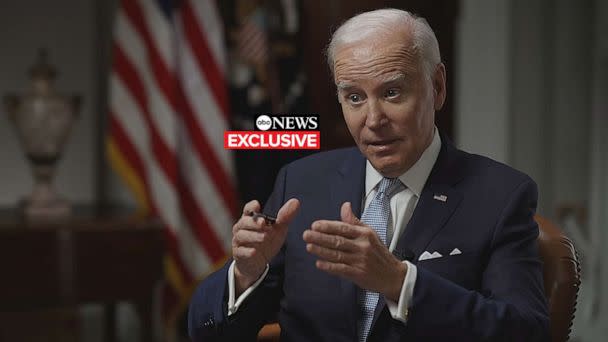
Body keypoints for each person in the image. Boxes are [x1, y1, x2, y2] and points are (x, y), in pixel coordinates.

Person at [188, 8, 549, 341]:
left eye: (392, 93)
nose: (373, 121)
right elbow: (210, 334)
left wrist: (399, 282)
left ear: (437, 86)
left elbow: (525, 332)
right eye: (355, 98)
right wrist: (245, 274)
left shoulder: (501, 196)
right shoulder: (300, 184)